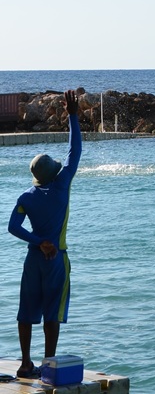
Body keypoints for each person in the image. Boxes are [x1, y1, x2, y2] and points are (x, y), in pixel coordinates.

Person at [7, 90, 82, 379]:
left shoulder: (27, 196)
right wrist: (73, 115)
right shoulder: (61, 185)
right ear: (53, 173)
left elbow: (13, 227)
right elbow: (74, 151)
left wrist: (39, 242)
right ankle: (48, 366)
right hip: (55, 260)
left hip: (33, 260)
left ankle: (25, 364)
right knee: (52, 315)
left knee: (26, 313)